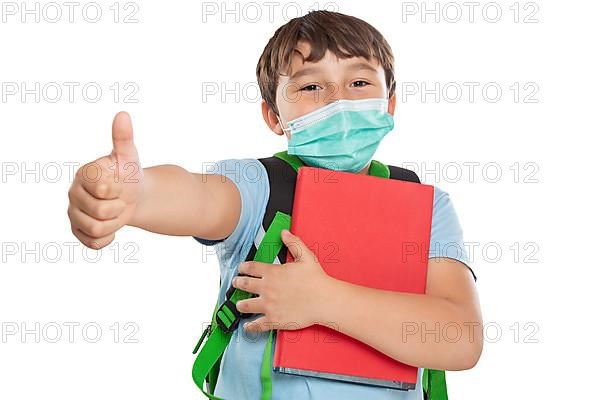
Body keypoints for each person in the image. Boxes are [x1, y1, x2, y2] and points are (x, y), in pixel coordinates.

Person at [67, 10, 483, 399]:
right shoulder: (259, 185)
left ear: (389, 103)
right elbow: (200, 197)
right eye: (310, 87)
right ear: (274, 116)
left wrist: (325, 301)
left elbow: (460, 338)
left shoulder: (426, 206)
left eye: (359, 83)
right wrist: (139, 196)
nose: (337, 101)